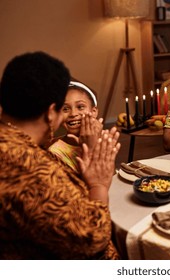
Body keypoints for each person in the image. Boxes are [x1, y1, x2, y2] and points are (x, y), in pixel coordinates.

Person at [0, 51, 121, 259]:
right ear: (50, 113)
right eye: (64, 109)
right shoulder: (32, 169)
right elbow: (93, 239)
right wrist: (98, 185)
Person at [49, 80, 103, 173]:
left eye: (80, 107)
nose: (73, 114)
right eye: (65, 109)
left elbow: (109, 175)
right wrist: (90, 149)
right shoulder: (54, 153)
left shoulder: (102, 138)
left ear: (93, 112)